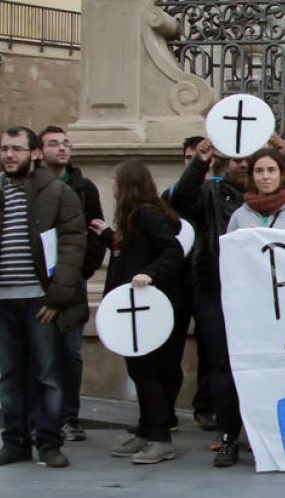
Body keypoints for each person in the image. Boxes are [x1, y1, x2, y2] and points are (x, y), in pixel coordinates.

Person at [0, 126, 86, 469]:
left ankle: (49, 443)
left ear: (34, 154)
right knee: (9, 376)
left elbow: (72, 247)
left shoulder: (57, 193)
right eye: (5, 149)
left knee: (47, 375)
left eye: (17, 149)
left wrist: (55, 299)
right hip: (1, 303)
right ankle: (15, 442)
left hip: (40, 303)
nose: (9, 155)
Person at [170, 133, 285, 468]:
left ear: (280, 173)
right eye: (252, 167)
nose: (259, 174)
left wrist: (284, 155)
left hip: (279, 303)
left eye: (268, 169)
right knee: (224, 365)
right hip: (224, 295)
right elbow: (181, 199)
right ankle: (230, 435)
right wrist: (201, 159)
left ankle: (281, 436)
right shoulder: (215, 194)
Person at [100, 160, 186, 464]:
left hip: (151, 308)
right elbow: (132, 254)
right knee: (140, 369)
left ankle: (161, 438)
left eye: (115, 179)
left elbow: (172, 251)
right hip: (137, 309)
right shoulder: (135, 218)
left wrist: (150, 274)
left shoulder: (148, 215)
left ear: (127, 185)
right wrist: (108, 238)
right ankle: (146, 430)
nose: (111, 185)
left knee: (148, 371)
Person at [38, 125, 107, 443]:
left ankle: (70, 416)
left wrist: (84, 268)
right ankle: (42, 417)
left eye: (66, 143)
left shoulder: (84, 187)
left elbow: (95, 230)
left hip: (73, 279)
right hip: (38, 282)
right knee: (40, 352)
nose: (63, 149)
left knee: (71, 352)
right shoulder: (32, 187)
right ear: (40, 151)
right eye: (54, 144)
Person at [159, 135, 214, 432]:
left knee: (208, 349)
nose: (195, 163)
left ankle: (204, 407)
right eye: (189, 158)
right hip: (176, 282)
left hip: (205, 281)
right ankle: (165, 409)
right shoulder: (170, 196)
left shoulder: (217, 194)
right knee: (170, 348)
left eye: (201, 157)